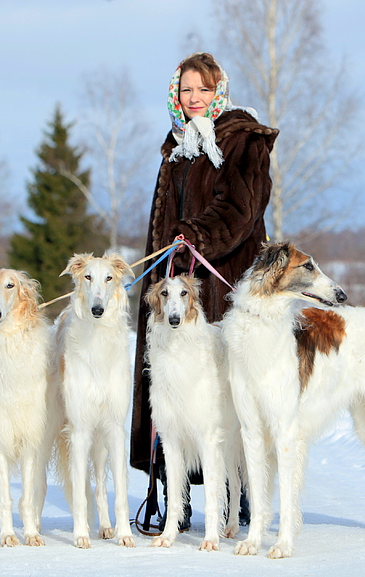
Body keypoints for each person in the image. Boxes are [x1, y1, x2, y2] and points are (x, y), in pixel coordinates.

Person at [130, 52, 278, 530]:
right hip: (172, 286)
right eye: (186, 89)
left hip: (224, 282)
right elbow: (163, 219)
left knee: (228, 392)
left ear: (219, 91)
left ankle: (240, 493)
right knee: (171, 391)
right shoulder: (175, 146)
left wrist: (194, 234)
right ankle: (175, 498)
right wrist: (165, 262)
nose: (194, 98)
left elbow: (241, 208)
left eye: (203, 89)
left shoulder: (243, 139)